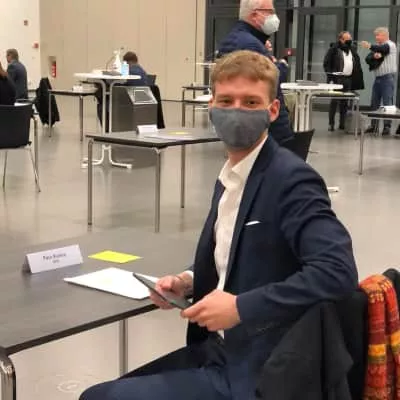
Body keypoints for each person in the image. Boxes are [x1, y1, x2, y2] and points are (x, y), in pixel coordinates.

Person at [80, 50, 358, 400]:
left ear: (273, 110)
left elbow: (337, 271)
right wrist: (188, 280)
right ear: (211, 106)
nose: (236, 111)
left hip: (262, 367)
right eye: (226, 101)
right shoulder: (232, 174)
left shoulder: (292, 180)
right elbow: (236, 254)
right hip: (218, 349)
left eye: (250, 102)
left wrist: (241, 308)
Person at [216, 0, 293, 145]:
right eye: (270, 12)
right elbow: (267, 82)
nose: (274, 17)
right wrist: (281, 66)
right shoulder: (250, 44)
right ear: (255, 15)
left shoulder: (237, 39)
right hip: (266, 132)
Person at [323, 31, 364, 132]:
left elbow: (356, 63)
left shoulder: (352, 50)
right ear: (341, 39)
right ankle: (331, 123)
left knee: (345, 102)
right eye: (347, 39)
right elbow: (326, 63)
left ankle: (342, 123)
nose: (350, 40)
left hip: (348, 79)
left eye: (350, 38)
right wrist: (331, 77)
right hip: (337, 79)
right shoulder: (334, 49)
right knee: (334, 101)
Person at [361, 27, 398, 136]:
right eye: (376, 35)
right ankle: (374, 126)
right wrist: (374, 55)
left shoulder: (390, 45)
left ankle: (387, 127)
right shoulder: (378, 47)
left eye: (378, 35)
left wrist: (369, 46)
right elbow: (368, 58)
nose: (376, 37)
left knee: (387, 103)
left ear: (385, 35)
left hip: (387, 78)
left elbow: (383, 49)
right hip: (378, 78)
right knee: (374, 102)